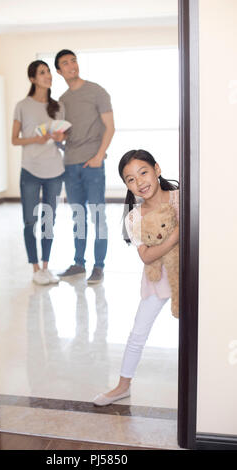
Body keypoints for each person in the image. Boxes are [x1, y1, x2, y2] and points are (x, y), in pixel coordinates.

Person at [93, 149, 179, 406]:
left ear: (157, 169)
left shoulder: (181, 198)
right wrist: (176, 236)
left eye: (143, 172)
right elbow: (146, 256)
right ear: (127, 186)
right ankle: (122, 386)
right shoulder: (133, 217)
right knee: (138, 332)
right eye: (130, 179)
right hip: (157, 278)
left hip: (188, 275)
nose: (140, 181)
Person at [54, 49, 115, 284]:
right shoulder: (62, 101)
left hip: (93, 164)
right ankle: (79, 263)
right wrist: (56, 138)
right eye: (65, 64)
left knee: (97, 216)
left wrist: (99, 155)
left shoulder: (97, 91)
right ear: (59, 71)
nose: (72, 66)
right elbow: (63, 137)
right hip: (70, 165)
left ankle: (98, 267)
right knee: (78, 217)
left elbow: (110, 127)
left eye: (73, 60)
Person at [12, 60, 66, 285]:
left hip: (55, 170)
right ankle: (35, 269)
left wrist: (60, 138)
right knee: (29, 220)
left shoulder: (58, 106)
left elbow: (63, 138)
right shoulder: (22, 106)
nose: (48, 76)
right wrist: (37, 138)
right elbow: (14, 140)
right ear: (33, 79)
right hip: (30, 171)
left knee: (49, 221)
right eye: (42, 73)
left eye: (48, 72)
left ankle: (46, 267)